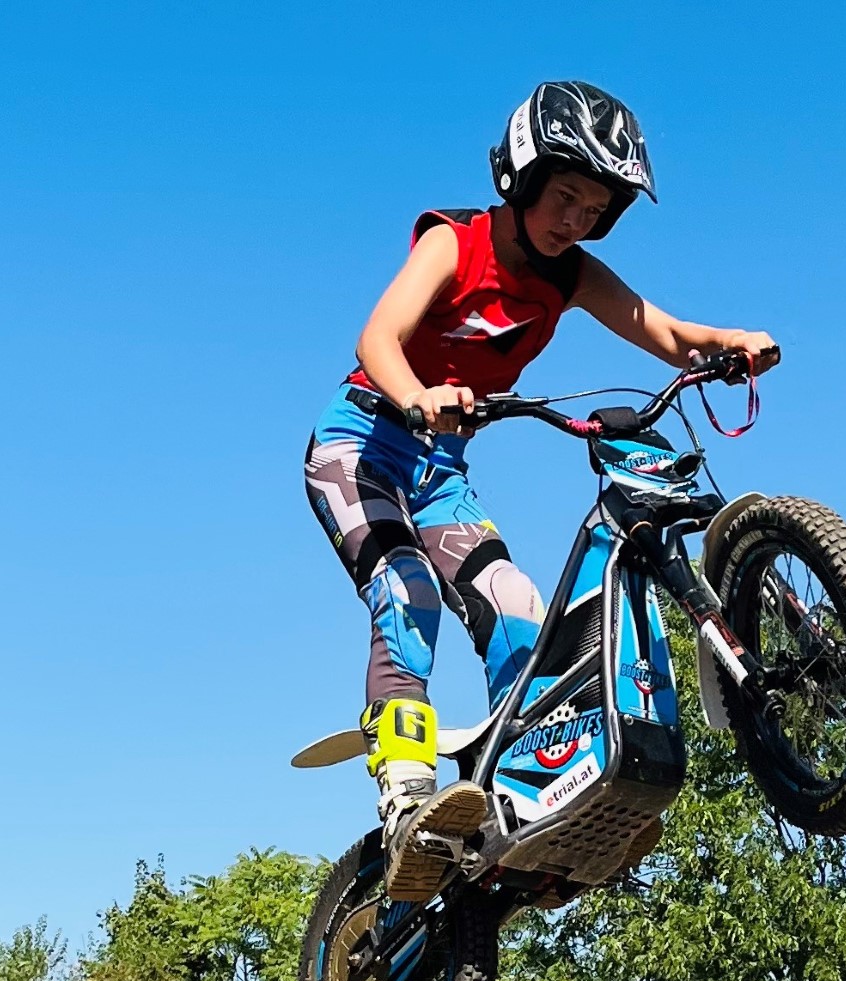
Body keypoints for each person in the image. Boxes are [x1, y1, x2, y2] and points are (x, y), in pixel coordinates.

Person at [305, 80, 779, 901]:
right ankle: (409, 796)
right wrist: (419, 394)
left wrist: (728, 342)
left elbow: (660, 332)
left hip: (441, 477)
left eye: (594, 210)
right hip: (364, 449)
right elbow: (377, 336)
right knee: (408, 590)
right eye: (565, 198)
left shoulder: (572, 276)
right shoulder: (455, 245)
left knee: (520, 610)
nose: (575, 222)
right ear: (521, 179)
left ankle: (516, 799)